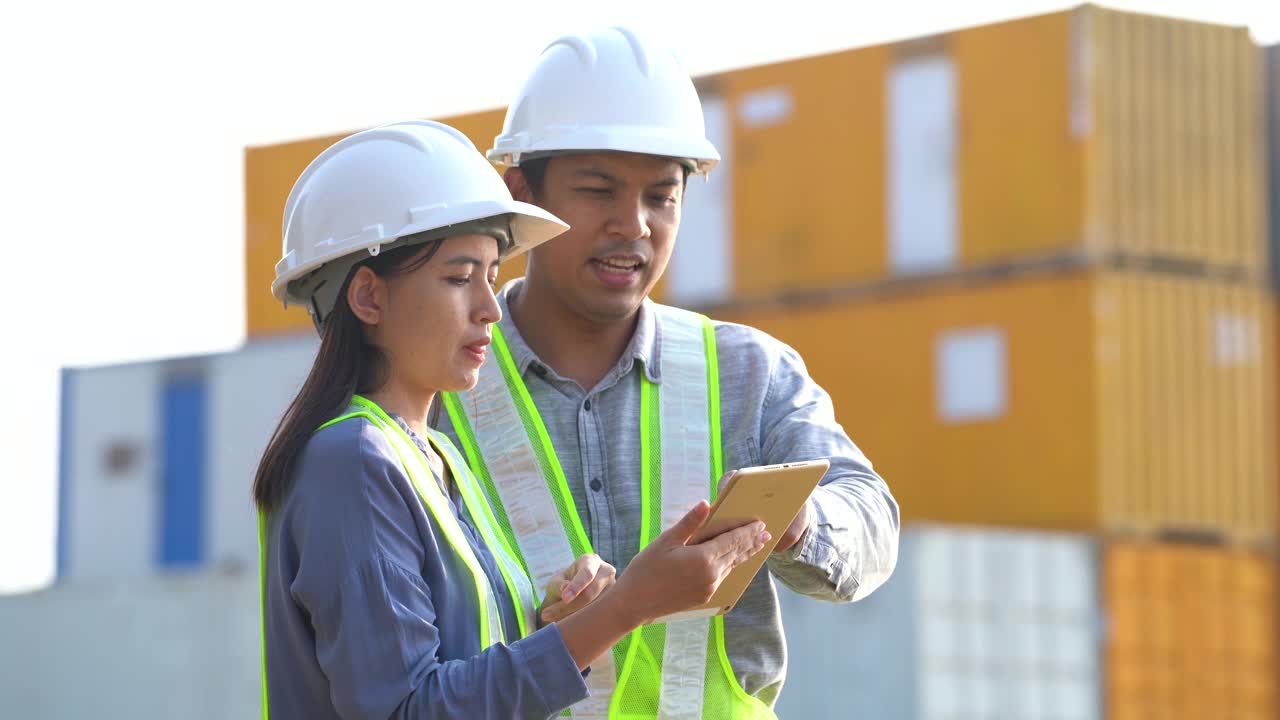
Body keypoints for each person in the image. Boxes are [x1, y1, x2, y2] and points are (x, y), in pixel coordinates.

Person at [435, 28, 901, 718]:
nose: (635, 225)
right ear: (520, 192)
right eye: (598, 191)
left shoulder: (748, 373)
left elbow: (871, 520)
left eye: (662, 197)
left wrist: (802, 522)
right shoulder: (438, 388)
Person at [252, 119, 772, 720]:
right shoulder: (352, 462)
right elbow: (408, 709)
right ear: (368, 297)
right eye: (459, 278)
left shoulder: (435, 457)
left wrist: (560, 616)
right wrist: (626, 607)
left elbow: (462, 678)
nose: (490, 308)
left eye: (493, 277)